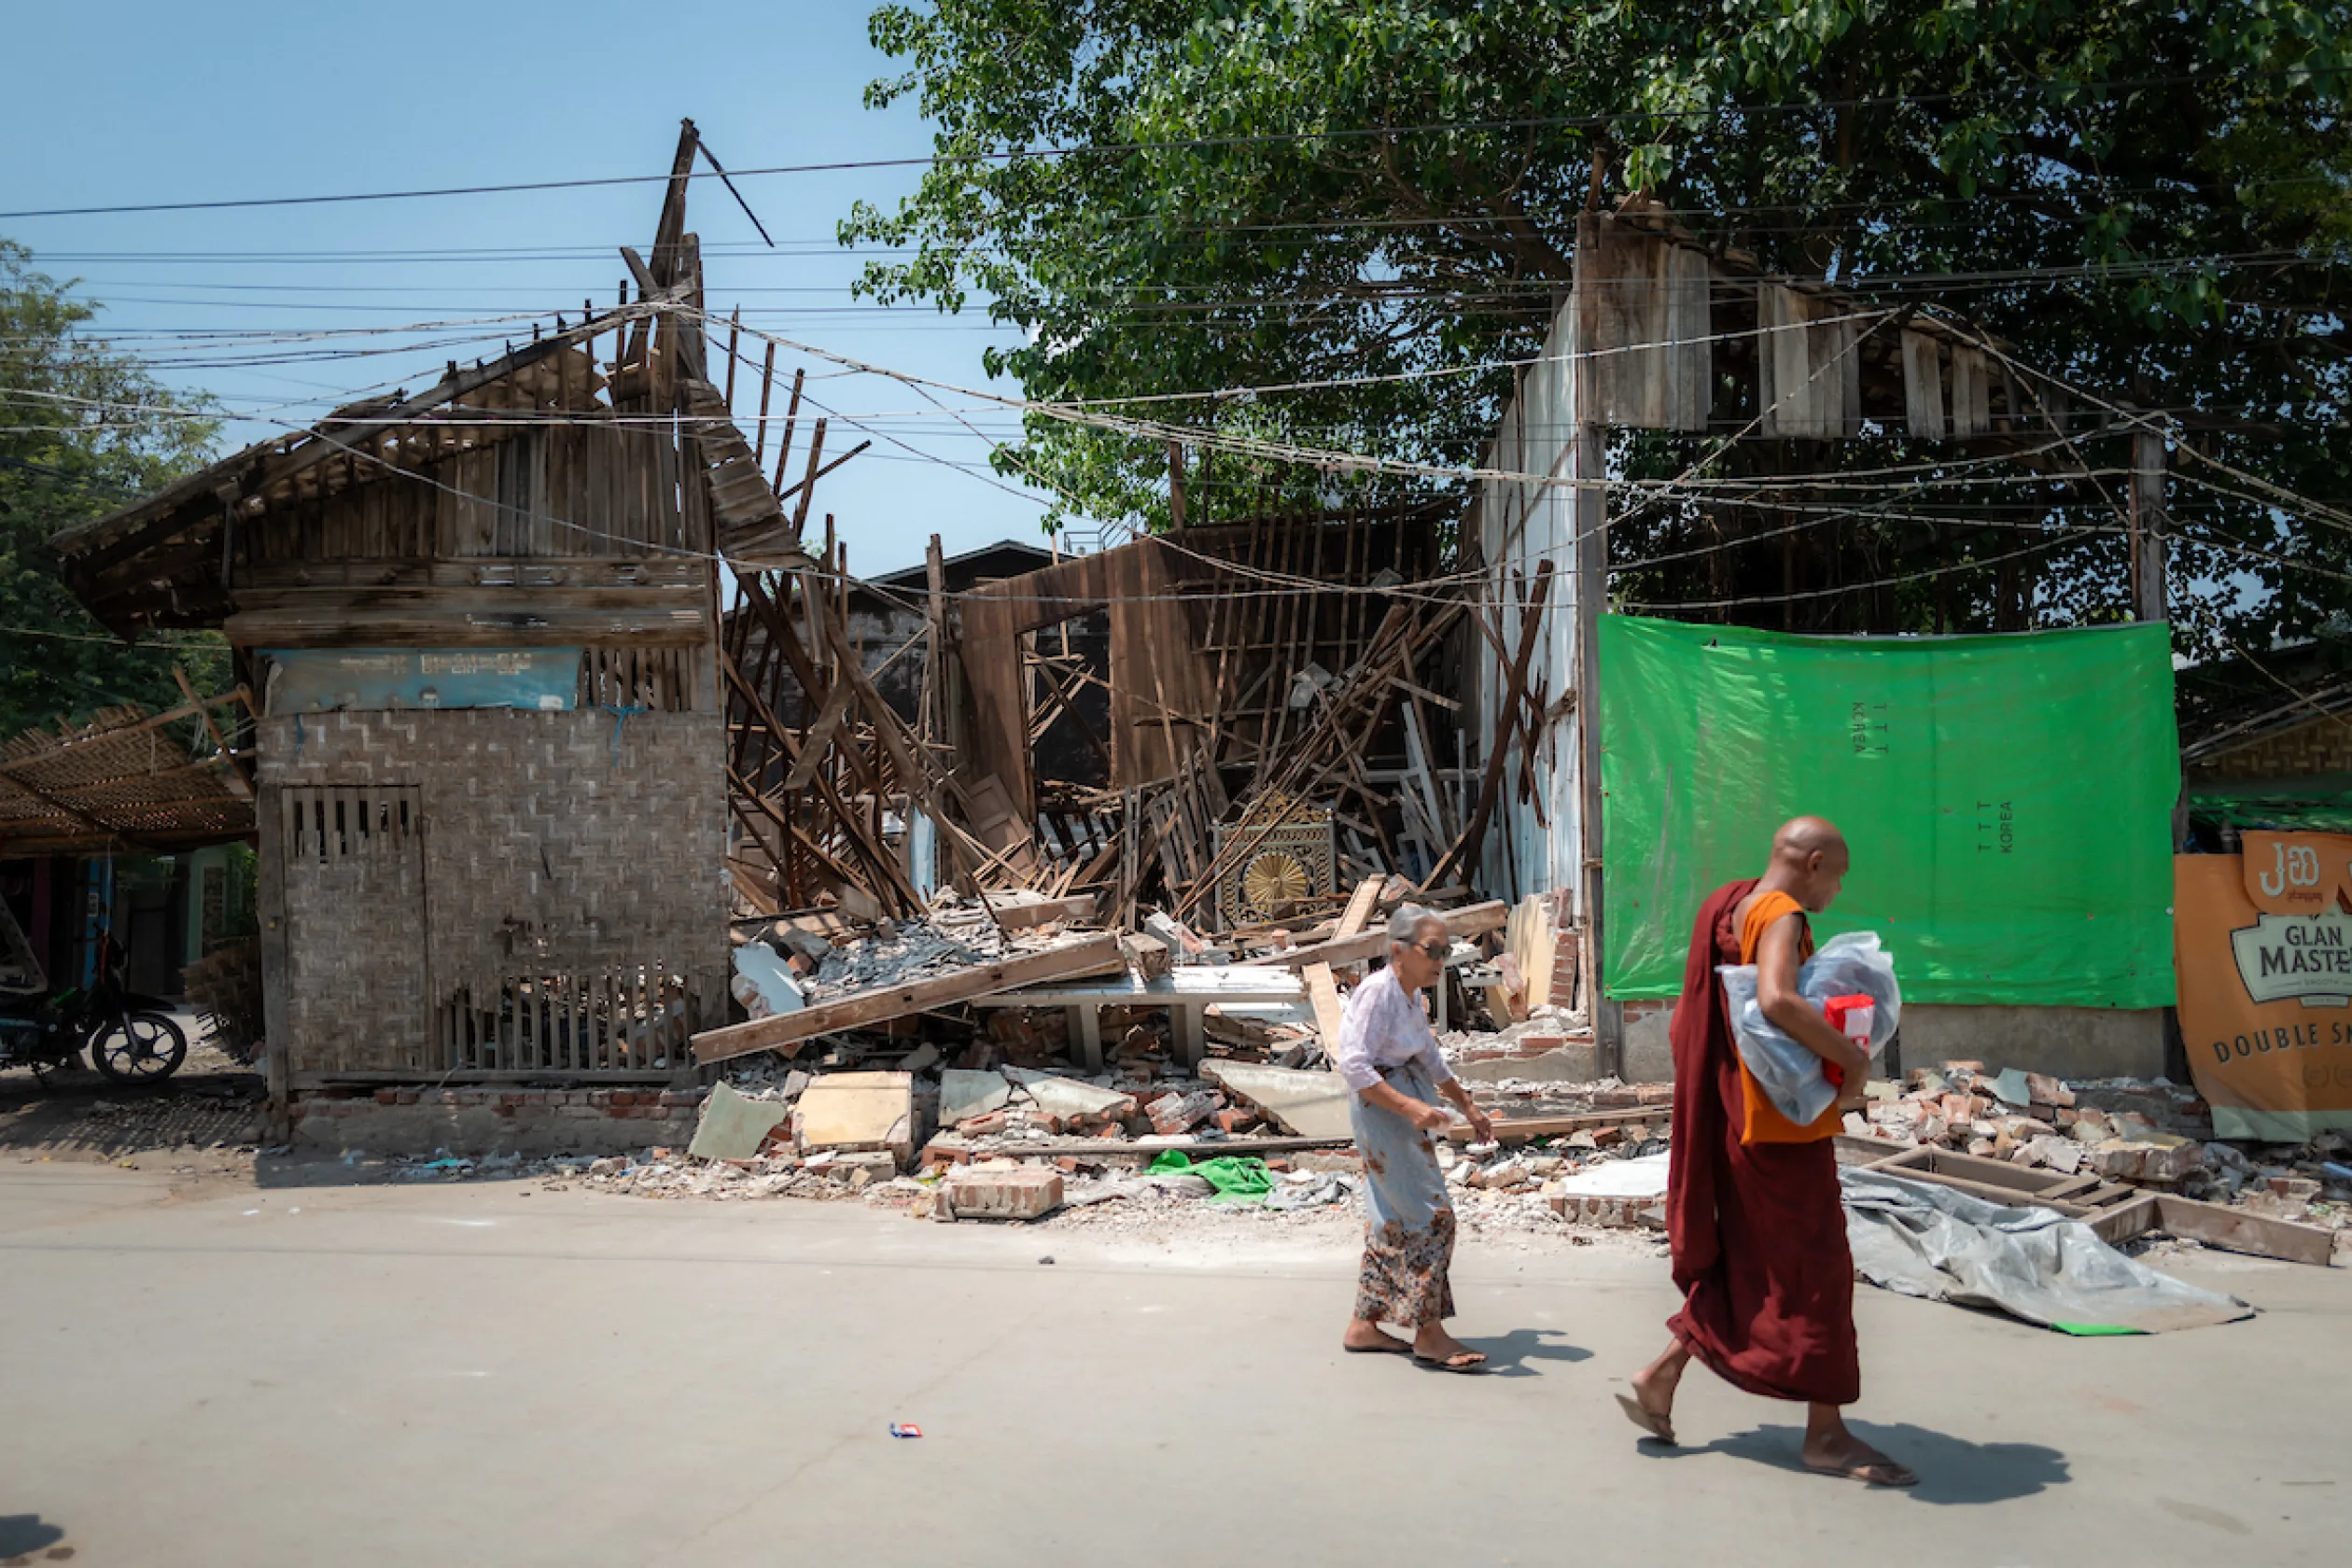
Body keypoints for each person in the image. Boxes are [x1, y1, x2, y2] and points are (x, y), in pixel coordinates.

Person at [1618, 817, 1918, 1487]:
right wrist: (1853, 1063)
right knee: (1817, 1272)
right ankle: (1826, 1436)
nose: (1837, 891)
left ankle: (1659, 1376)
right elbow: (1779, 999)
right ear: (1812, 862)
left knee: (1755, 1262)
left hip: (1735, 1117)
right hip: (1779, 1128)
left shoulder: (1731, 903)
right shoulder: (1780, 914)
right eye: (1837, 875)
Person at [1336, 903, 1497, 1371]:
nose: (1440, 961)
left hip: (1403, 1106)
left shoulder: (1410, 997)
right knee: (1432, 1218)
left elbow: (1429, 1057)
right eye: (1432, 951)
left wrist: (1467, 1105)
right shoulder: (1377, 993)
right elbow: (1354, 1065)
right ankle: (1428, 1333)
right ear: (1398, 950)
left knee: (1392, 1220)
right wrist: (1412, 1109)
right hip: (1383, 1109)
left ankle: (1364, 1325)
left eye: (1445, 952)